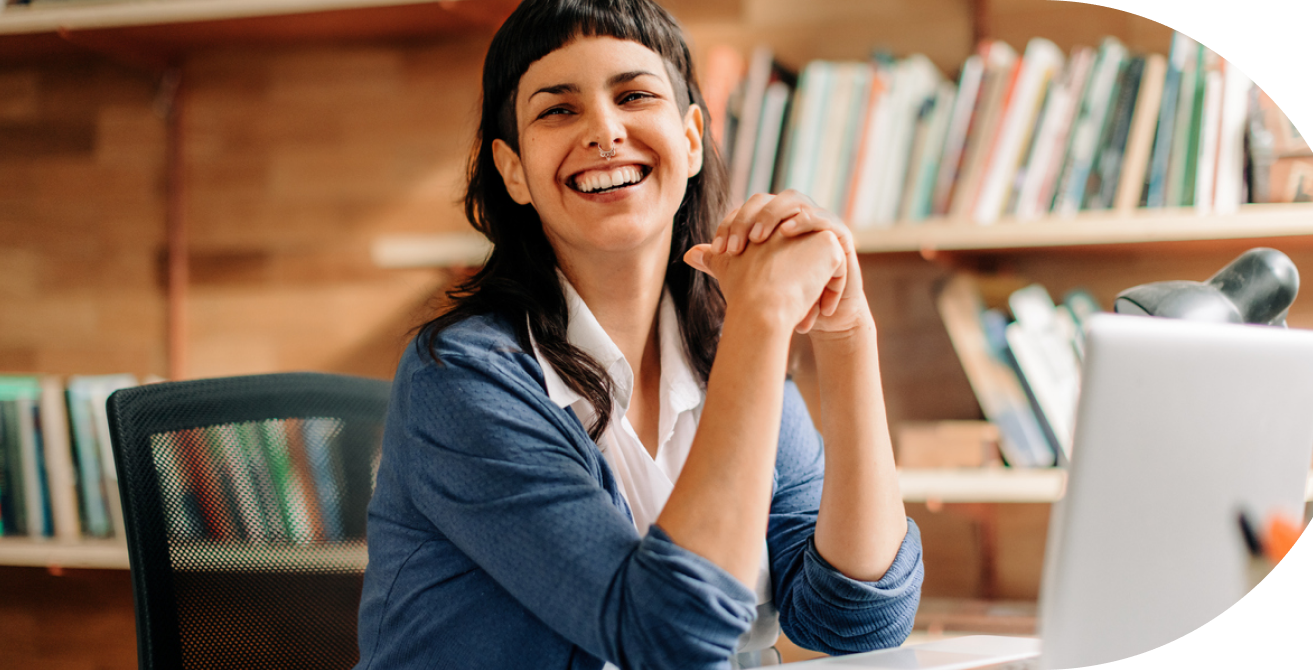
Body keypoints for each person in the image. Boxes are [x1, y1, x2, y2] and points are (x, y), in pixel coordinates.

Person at [355, 1, 923, 668]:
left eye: (634, 96)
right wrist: (761, 316)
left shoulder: (725, 351)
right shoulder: (460, 379)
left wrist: (847, 334)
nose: (604, 130)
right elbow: (666, 635)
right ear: (513, 171)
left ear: (690, 138)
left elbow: (858, 621)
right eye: (557, 110)